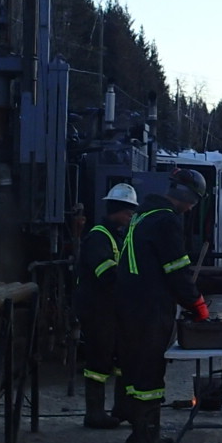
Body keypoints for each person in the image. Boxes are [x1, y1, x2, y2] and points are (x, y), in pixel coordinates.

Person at [112, 167, 210, 443]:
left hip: (128, 305)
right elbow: (176, 271)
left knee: (132, 369)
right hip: (150, 309)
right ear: (185, 195)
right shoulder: (166, 220)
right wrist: (197, 304)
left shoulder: (142, 216)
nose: (191, 207)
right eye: (193, 201)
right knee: (150, 372)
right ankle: (147, 441)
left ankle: (137, 431)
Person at [75, 183, 138, 429]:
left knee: (122, 358)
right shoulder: (99, 236)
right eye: (129, 211)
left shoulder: (119, 236)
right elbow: (107, 273)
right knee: (99, 361)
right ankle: (94, 413)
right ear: (117, 211)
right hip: (97, 308)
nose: (132, 216)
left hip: (113, 308)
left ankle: (121, 408)